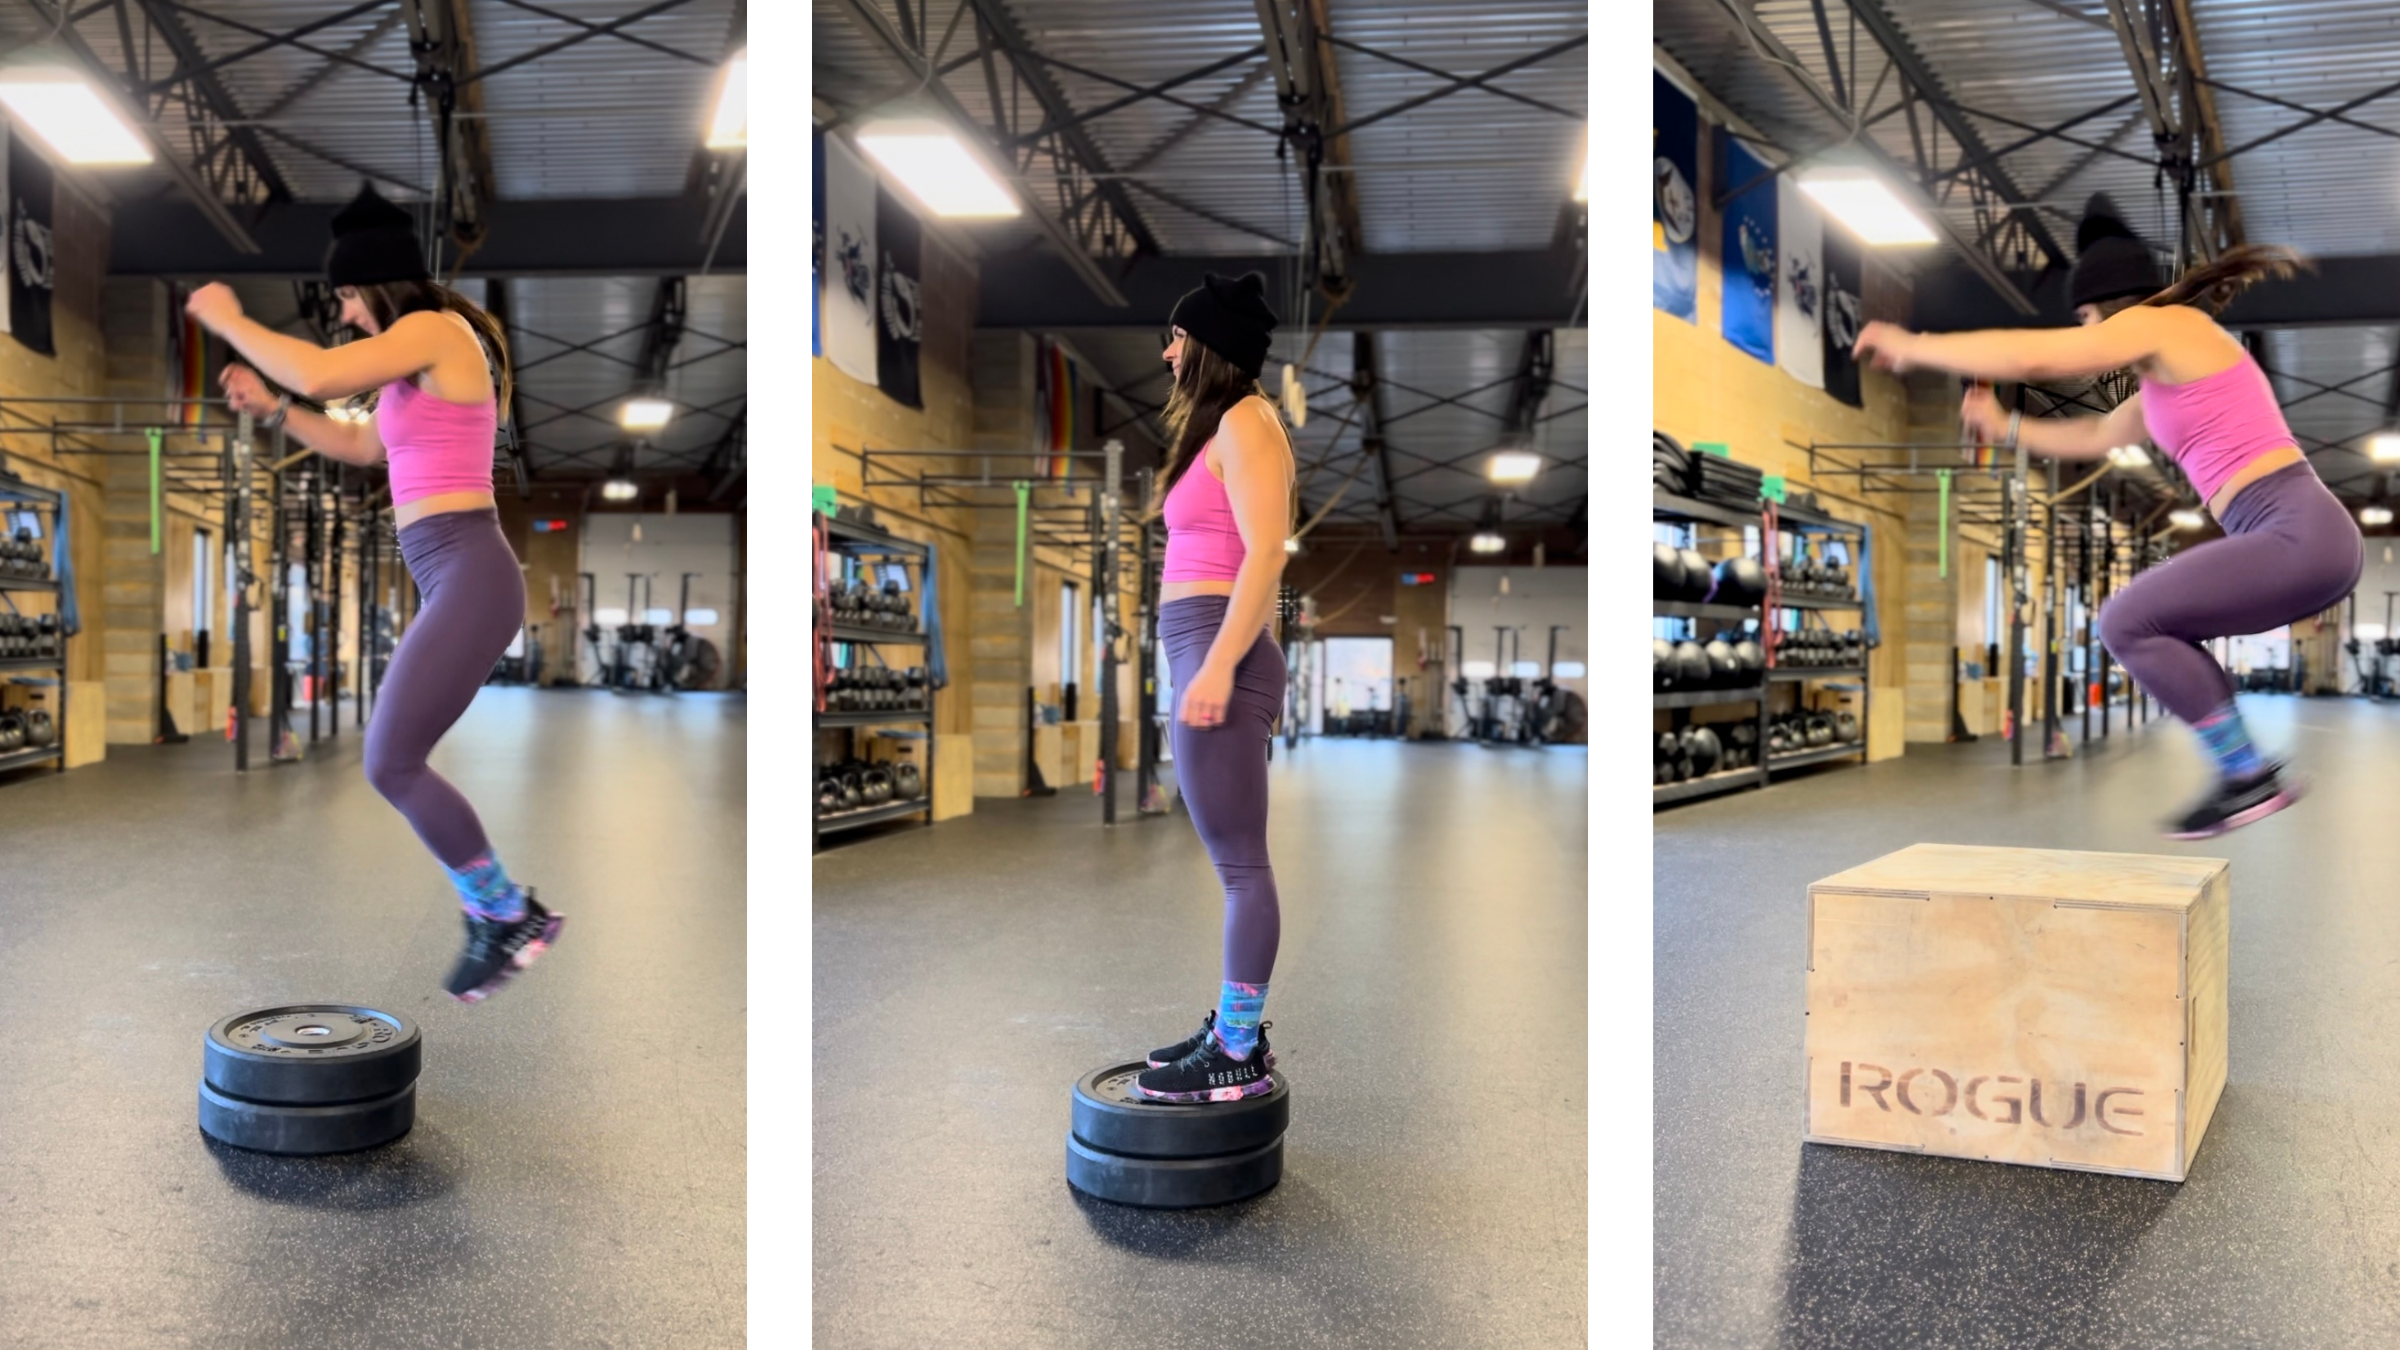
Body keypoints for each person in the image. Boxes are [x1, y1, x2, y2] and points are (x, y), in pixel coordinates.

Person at [1852, 196, 2360, 839]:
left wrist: (1915, 343)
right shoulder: (2159, 383)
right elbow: (2094, 435)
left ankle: (2246, 774)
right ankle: (2245, 772)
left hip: (2297, 532)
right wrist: (2006, 426)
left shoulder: (2173, 327)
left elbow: (2043, 359)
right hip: (2303, 542)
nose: (2090, 328)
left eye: (2089, 315)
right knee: (2147, 624)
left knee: (2126, 620)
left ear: (2114, 304)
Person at [185, 183, 564, 1000]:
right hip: (449, 571)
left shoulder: (432, 329)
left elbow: (323, 374)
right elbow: (359, 446)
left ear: (373, 284)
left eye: (349, 298)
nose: (348, 315)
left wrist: (229, 320)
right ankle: (502, 912)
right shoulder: (415, 363)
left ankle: (505, 913)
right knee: (392, 761)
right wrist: (273, 407)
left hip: (469, 568)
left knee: (392, 761)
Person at [1134, 272, 1296, 1103]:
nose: (1167, 352)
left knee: (1241, 869)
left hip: (1218, 651)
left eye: (1177, 338)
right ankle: (1230, 1029)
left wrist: (1219, 666)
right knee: (1231, 865)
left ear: (1210, 348)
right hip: (1198, 643)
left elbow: (1267, 552)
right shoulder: (1220, 428)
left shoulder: (1248, 421)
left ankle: (1237, 1046)